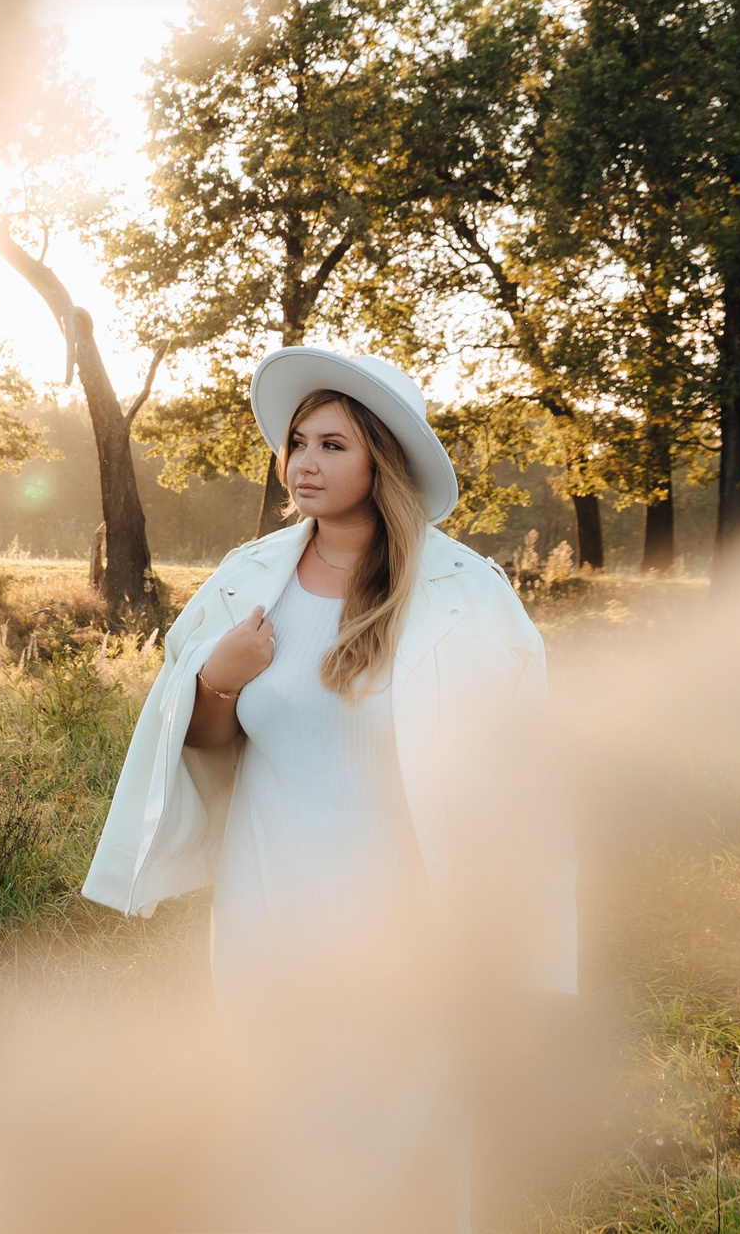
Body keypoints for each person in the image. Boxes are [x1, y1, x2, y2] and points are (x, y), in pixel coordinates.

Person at [81, 346, 574, 1232]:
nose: (304, 462)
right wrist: (218, 678)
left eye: (333, 445)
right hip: (267, 909)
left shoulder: (467, 595)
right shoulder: (248, 579)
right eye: (298, 442)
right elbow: (205, 741)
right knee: (274, 1129)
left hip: (405, 930)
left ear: (382, 459)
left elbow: (524, 788)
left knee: (396, 1144)